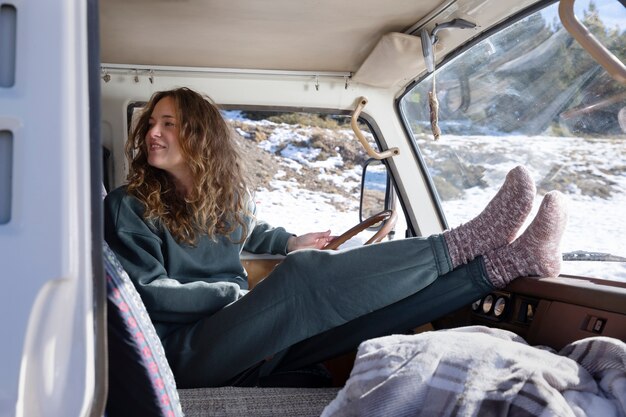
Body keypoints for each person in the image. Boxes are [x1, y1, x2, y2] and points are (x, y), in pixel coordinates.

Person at [104, 87, 568, 389]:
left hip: (239, 333)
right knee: (304, 279)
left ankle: (509, 263)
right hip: (180, 351)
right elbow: (145, 296)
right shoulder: (129, 205)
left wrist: (289, 243)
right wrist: (238, 294)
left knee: (364, 318)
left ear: (201, 138)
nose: (153, 132)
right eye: (151, 123)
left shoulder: (224, 200)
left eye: (168, 123)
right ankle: (466, 241)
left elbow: (250, 230)